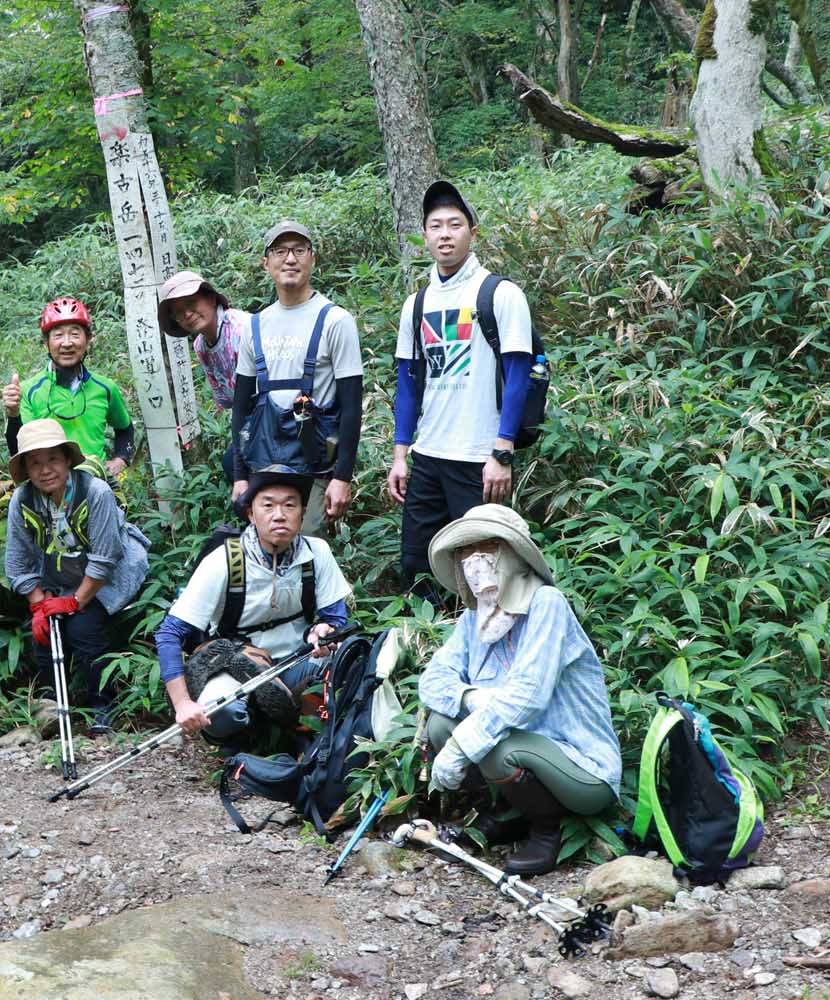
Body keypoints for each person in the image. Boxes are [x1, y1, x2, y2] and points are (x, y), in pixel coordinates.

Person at [416, 504, 620, 876]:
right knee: (441, 723)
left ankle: (547, 832)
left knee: (497, 746)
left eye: (488, 546)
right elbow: (431, 680)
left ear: (511, 553)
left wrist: (463, 745)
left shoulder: (547, 604)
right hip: (523, 751)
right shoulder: (471, 620)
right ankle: (504, 816)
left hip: (580, 764)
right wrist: (470, 698)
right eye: (466, 550)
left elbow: (529, 694)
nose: (476, 560)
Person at [389, 180, 535, 602]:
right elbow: (408, 382)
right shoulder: (416, 304)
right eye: (436, 226)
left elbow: (518, 373)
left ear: (473, 232)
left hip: (478, 458)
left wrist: (502, 452)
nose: (445, 234)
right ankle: (428, 651)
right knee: (417, 566)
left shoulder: (500, 294)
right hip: (429, 455)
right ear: (425, 234)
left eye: (455, 224)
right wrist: (401, 454)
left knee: (486, 571)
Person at [154, 465, 352, 743]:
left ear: (303, 513)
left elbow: (337, 619)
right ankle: (241, 744)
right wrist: (183, 704)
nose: (279, 515)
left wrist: (325, 631)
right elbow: (170, 633)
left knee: (348, 664)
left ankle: (302, 736)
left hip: (297, 659)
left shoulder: (316, 553)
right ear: (250, 514)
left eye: (290, 505)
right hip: (233, 661)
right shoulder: (224, 561)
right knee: (221, 713)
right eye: (268, 506)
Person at [4, 419, 149, 734]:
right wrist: (39, 604)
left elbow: (106, 557)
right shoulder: (23, 500)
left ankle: (103, 706)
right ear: (26, 469)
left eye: (53, 459)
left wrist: (75, 601)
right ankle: (50, 708)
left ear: (67, 460)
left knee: (84, 629)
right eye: (35, 463)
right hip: (60, 574)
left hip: (108, 575)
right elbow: (17, 558)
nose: (45, 470)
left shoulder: (94, 492)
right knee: (44, 634)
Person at [231, 221, 364, 531]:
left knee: (309, 551)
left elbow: (352, 406)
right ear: (266, 263)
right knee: (266, 552)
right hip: (262, 465)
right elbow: (241, 408)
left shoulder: (335, 320)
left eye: (298, 250)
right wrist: (240, 475)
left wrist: (342, 477)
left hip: (314, 468)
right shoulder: (255, 326)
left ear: (312, 258)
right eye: (280, 251)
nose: (290, 259)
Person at [1, 296, 135, 479]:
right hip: (48, 486)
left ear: (88, 340)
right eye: (58, 335)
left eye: (75, 334)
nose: (67, 343)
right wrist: (13, 414)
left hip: (98, 484)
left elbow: (125, 428)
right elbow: (19, 448)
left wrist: (122, 458)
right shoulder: (28, 391)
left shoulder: (105, 388)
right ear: (46, 343)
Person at [157, 270, 252, 482]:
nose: (187, 314)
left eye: (191, 303)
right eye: (178, 312)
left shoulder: (241, 330)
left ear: (210, 298)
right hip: (249, 423)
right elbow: (226, 400)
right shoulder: (201, 345)